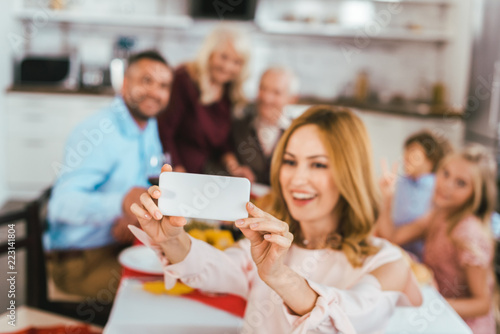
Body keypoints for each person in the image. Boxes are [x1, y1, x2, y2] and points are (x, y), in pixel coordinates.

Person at [129, 105, 422, 334]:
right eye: (290, 161)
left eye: (318, 164)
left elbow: (348, 320)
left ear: (350, 174)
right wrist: (171, 238)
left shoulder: (387, 261)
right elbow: (215, 269)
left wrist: (280, 276)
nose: (297, 178)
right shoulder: (269, 245)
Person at [46, 50, 173, 299]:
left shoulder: (147, 123)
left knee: (187, 269)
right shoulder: (99, 131)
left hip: (120, 244)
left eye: (163, 86)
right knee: (167, 290)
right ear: (125, 83)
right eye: (146, 81)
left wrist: (133, 216)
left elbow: (142, 180)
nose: (155, 93)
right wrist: (120, 204)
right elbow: (60, 206)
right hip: (81, 261)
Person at [377, 144, 498, 333]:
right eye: (446, 173)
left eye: (461, 183)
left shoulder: (468, 235)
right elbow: (393, 237)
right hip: (432, 304)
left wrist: (432, 304)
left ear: (476, 194)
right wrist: (387, 198)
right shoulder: (439, 214)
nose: (446, 185)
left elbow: (482, 304)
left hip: (461, 323)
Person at [157, 25, 255, 180]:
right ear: (209, 53)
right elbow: (165, 131)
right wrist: (177, 171)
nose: (228, 67)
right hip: (183, 171)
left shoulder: (229, 90)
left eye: (237, 62)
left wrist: (233, 165)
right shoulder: (184, 79)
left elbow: (221, 141)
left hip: (207, 173)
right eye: (224, 57)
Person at [376, 130, 452, 260]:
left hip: (415, 258)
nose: (406, 156)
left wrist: (387, 199)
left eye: (413, 151)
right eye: (406, 150)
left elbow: (393, 237)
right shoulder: (400, 182)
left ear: (432, 159)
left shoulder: (437, 190)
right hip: (394, 249)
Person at [231, 66, 299, 185]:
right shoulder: (238, 125)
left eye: (276, 92)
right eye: (263, 88)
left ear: (292, 99)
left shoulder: (298, 132)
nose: (266, 98)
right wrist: (234, 169)